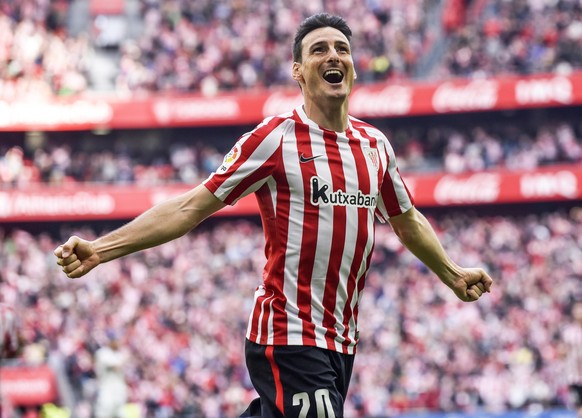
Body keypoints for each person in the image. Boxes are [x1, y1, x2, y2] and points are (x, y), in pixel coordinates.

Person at [54, 13, 493, 418]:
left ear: (354, 69)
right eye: (318, 50)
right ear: (298, 72)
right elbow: (191, 206)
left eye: (341, 48)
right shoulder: (274, 139)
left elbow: (406, 218)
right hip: (288, 333)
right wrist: (100, 248)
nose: (333, 55)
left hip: (341, 340)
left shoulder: (375, 146)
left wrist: (452, 274)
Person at [93, 336, 129, 418]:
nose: (118, 343)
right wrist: (125, 358)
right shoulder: (103, 353)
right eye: (116, 340)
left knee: (119, 413)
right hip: (106, 387)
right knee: (105, 412)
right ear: (111, 341)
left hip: (119, 388)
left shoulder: (118, 353)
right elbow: (115, 366)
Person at [562, 301, 582, 417]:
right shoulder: (569, 332)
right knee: (579, 407)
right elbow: (563, 353)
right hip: (574, 377)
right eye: (577, 309)